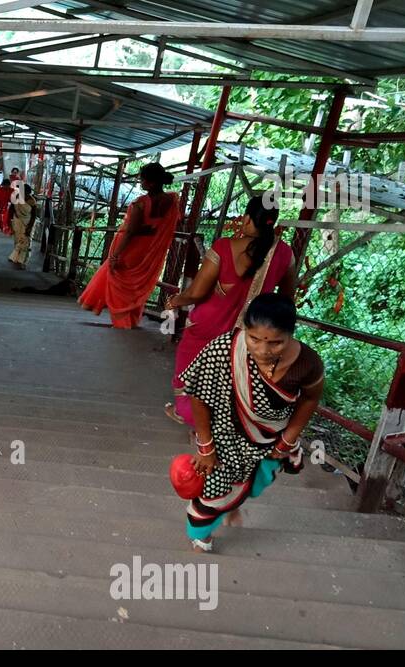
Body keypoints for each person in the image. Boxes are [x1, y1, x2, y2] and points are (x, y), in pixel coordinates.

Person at [177, 294, 324, 552]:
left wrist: (288, 440)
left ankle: (232, 506)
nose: (262, 350)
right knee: (214, 487)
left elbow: (310, 399)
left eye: (276, 343)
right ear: (244, 329)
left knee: (255, 483)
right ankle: (202, 536)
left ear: (291, 335)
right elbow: (199, 395)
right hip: (222, 435)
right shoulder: (223, 349)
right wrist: (206, 447)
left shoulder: (308, 363)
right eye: (253, 339)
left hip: (270, 438)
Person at [165, 195, 296, 425]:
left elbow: (196, 293)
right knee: (230, 379)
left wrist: (175, 300)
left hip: (207, 327)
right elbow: (286, 299)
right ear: (272, 222)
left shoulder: (224, 247)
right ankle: (221, 425)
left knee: (191, 372)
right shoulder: (285, 255)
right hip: (250, 333)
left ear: (247, 219)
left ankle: (191, 417)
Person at [78, 162, 180, 329]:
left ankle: (122, 323)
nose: (141, 182)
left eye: (143, 180)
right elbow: (160, 225)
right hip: (150, 250)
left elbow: (131, 231)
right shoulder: (171, 200)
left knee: (120, 285)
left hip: (132, 249)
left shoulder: (140, 203)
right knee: (134, 287)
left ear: (151, 182)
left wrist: (115, 254)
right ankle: (130, 321)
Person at [7, 183, 36, 270]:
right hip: (17, 220)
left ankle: (23, 260)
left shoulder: (32, 201)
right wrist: (9, 221)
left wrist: (30, 227)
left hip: (27, 222)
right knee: (17, 239)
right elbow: (11, 209)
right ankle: (16, 257)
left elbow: (34, 215)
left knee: (26, 241)